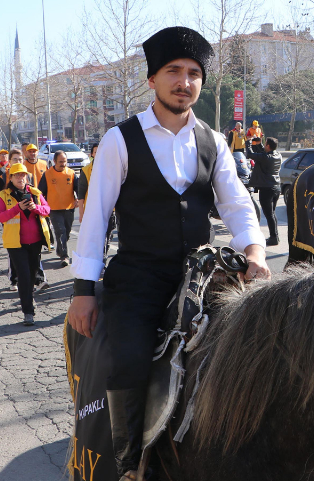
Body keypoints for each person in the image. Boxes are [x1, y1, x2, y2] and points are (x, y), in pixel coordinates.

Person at [68, 26, 269, 480]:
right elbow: (96, 218)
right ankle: (129, 464)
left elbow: (236, 203)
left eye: (194, 73)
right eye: (173, 72)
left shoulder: (213, 141)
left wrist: (255, 251)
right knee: (131, 359)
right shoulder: (120, 139)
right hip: (137, 279)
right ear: (151, 79)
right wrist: (83, 290)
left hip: (201, 277)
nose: (184, 82)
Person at [0, 163, 52, 326]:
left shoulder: (35, 192)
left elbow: (47, 210)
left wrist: (36, 208)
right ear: (11, 178)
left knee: (33, 275)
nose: (21, 178)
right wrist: (17, 208)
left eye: (23, 175)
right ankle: (28, 312)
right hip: (15, 243)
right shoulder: (3, 195)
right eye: (17, 175)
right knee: (24, 275)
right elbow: (0, 217)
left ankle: (28, 298)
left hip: (35, 242)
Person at [76, 143, 116, 259]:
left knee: (107, 237)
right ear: (91, 154)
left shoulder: (112, 168)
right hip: (93, 211)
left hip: (109, 210)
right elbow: (81, 194)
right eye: (95, 152)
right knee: (99, 238)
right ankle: (101, 263)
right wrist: (81, 213)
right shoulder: (86, 170)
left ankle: (103, 257)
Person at [38, 151, 77, 268]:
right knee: (60, 232)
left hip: (69, 208)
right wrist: (43, 206)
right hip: (54, 209)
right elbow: (40, 193)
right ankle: (64, 256)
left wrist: (78, 200)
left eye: (65, 161)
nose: (63, 164)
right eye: (60, 162)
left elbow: (78, 188)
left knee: (67, 232)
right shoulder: (48, 174)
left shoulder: (71, 173)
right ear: (54, 161)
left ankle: (60, 250)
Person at [246, 136, 282, 246]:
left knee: (269, 215)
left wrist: (248, 143)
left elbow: (250, 155)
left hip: (267, 189)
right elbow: (263, 153)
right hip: (276, 187)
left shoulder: (266, 157)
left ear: (268, 146)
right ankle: (275, 236)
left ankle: (273, 238)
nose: (264, 145)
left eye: (265, 144)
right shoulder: (277, 155)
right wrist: (259, 144)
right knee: (272, 214)